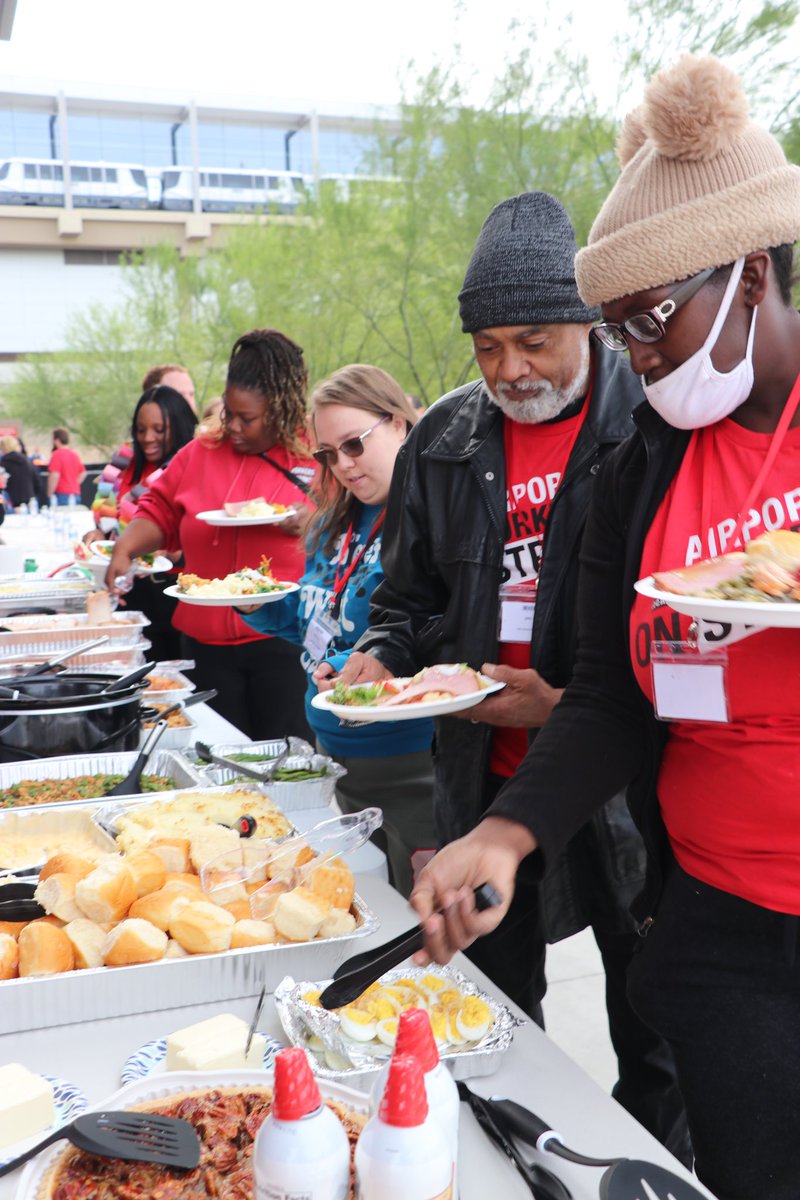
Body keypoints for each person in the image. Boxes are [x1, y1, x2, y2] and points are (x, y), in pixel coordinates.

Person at [409, 56, 800, 1200]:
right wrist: (506, 833)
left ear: (746, 274)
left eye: (647, 322)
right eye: (616, 329)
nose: (632, 357)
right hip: (721, 928)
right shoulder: (638, 472)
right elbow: (611, 699)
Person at [331, 192, 688, 1157]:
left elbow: (679, 635)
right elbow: (406, 599)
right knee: (495, 1008)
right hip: (485, 779)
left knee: (652, 1027)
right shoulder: (445, 442)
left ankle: (652, 1171)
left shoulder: (653, 427)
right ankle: (519, 1165)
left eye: (533, 341)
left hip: (625, 791)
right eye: (488, 347)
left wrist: (561, 703)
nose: (509, 370)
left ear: (585, 324)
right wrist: (384, 657)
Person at [240, 364, 435, 896]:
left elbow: (440, 636)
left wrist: (366, 668)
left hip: (410, 762)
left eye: (354, 444)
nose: (343, 465)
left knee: (430, 923)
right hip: (338, 758)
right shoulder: (337, 520)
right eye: (328, 453)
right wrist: (253, 605)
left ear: (399, 424)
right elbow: (314, 621)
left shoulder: (434, 518)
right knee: (375, 908)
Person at [107, 328, 316, 740]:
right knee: (216, 759)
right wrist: (125, 547)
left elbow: (352, 523)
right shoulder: (201, 452)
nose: (233, 426)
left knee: (287, 760)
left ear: (281, 408)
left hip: (285, 644)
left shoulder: (315, 451)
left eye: (247, 418)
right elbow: (159, 508)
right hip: (206, 647)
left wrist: (313, 520)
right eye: (228, 414)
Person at [84, 385, 198, 660]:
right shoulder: (123, 465)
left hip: (171, 593)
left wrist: (170, 550)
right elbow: (111, 521)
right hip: (126, 592)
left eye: (159, 429)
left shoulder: (191, 467)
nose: (148, 438)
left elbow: (199, 534)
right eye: (141, 428)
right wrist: (97, 535)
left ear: (179, 426)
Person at [0, 436, 44, 509]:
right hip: (29, 500)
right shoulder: (26, 461)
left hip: (12, 502)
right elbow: (37, 481)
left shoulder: (4, 464)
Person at [47, 428, 85, 505]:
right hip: (75, 493)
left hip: (62, 494)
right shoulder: (74, 454)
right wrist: (74, 483)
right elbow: (83, 473)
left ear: (57, 440)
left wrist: (49, 493)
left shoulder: (56, 455)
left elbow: (54, 475)